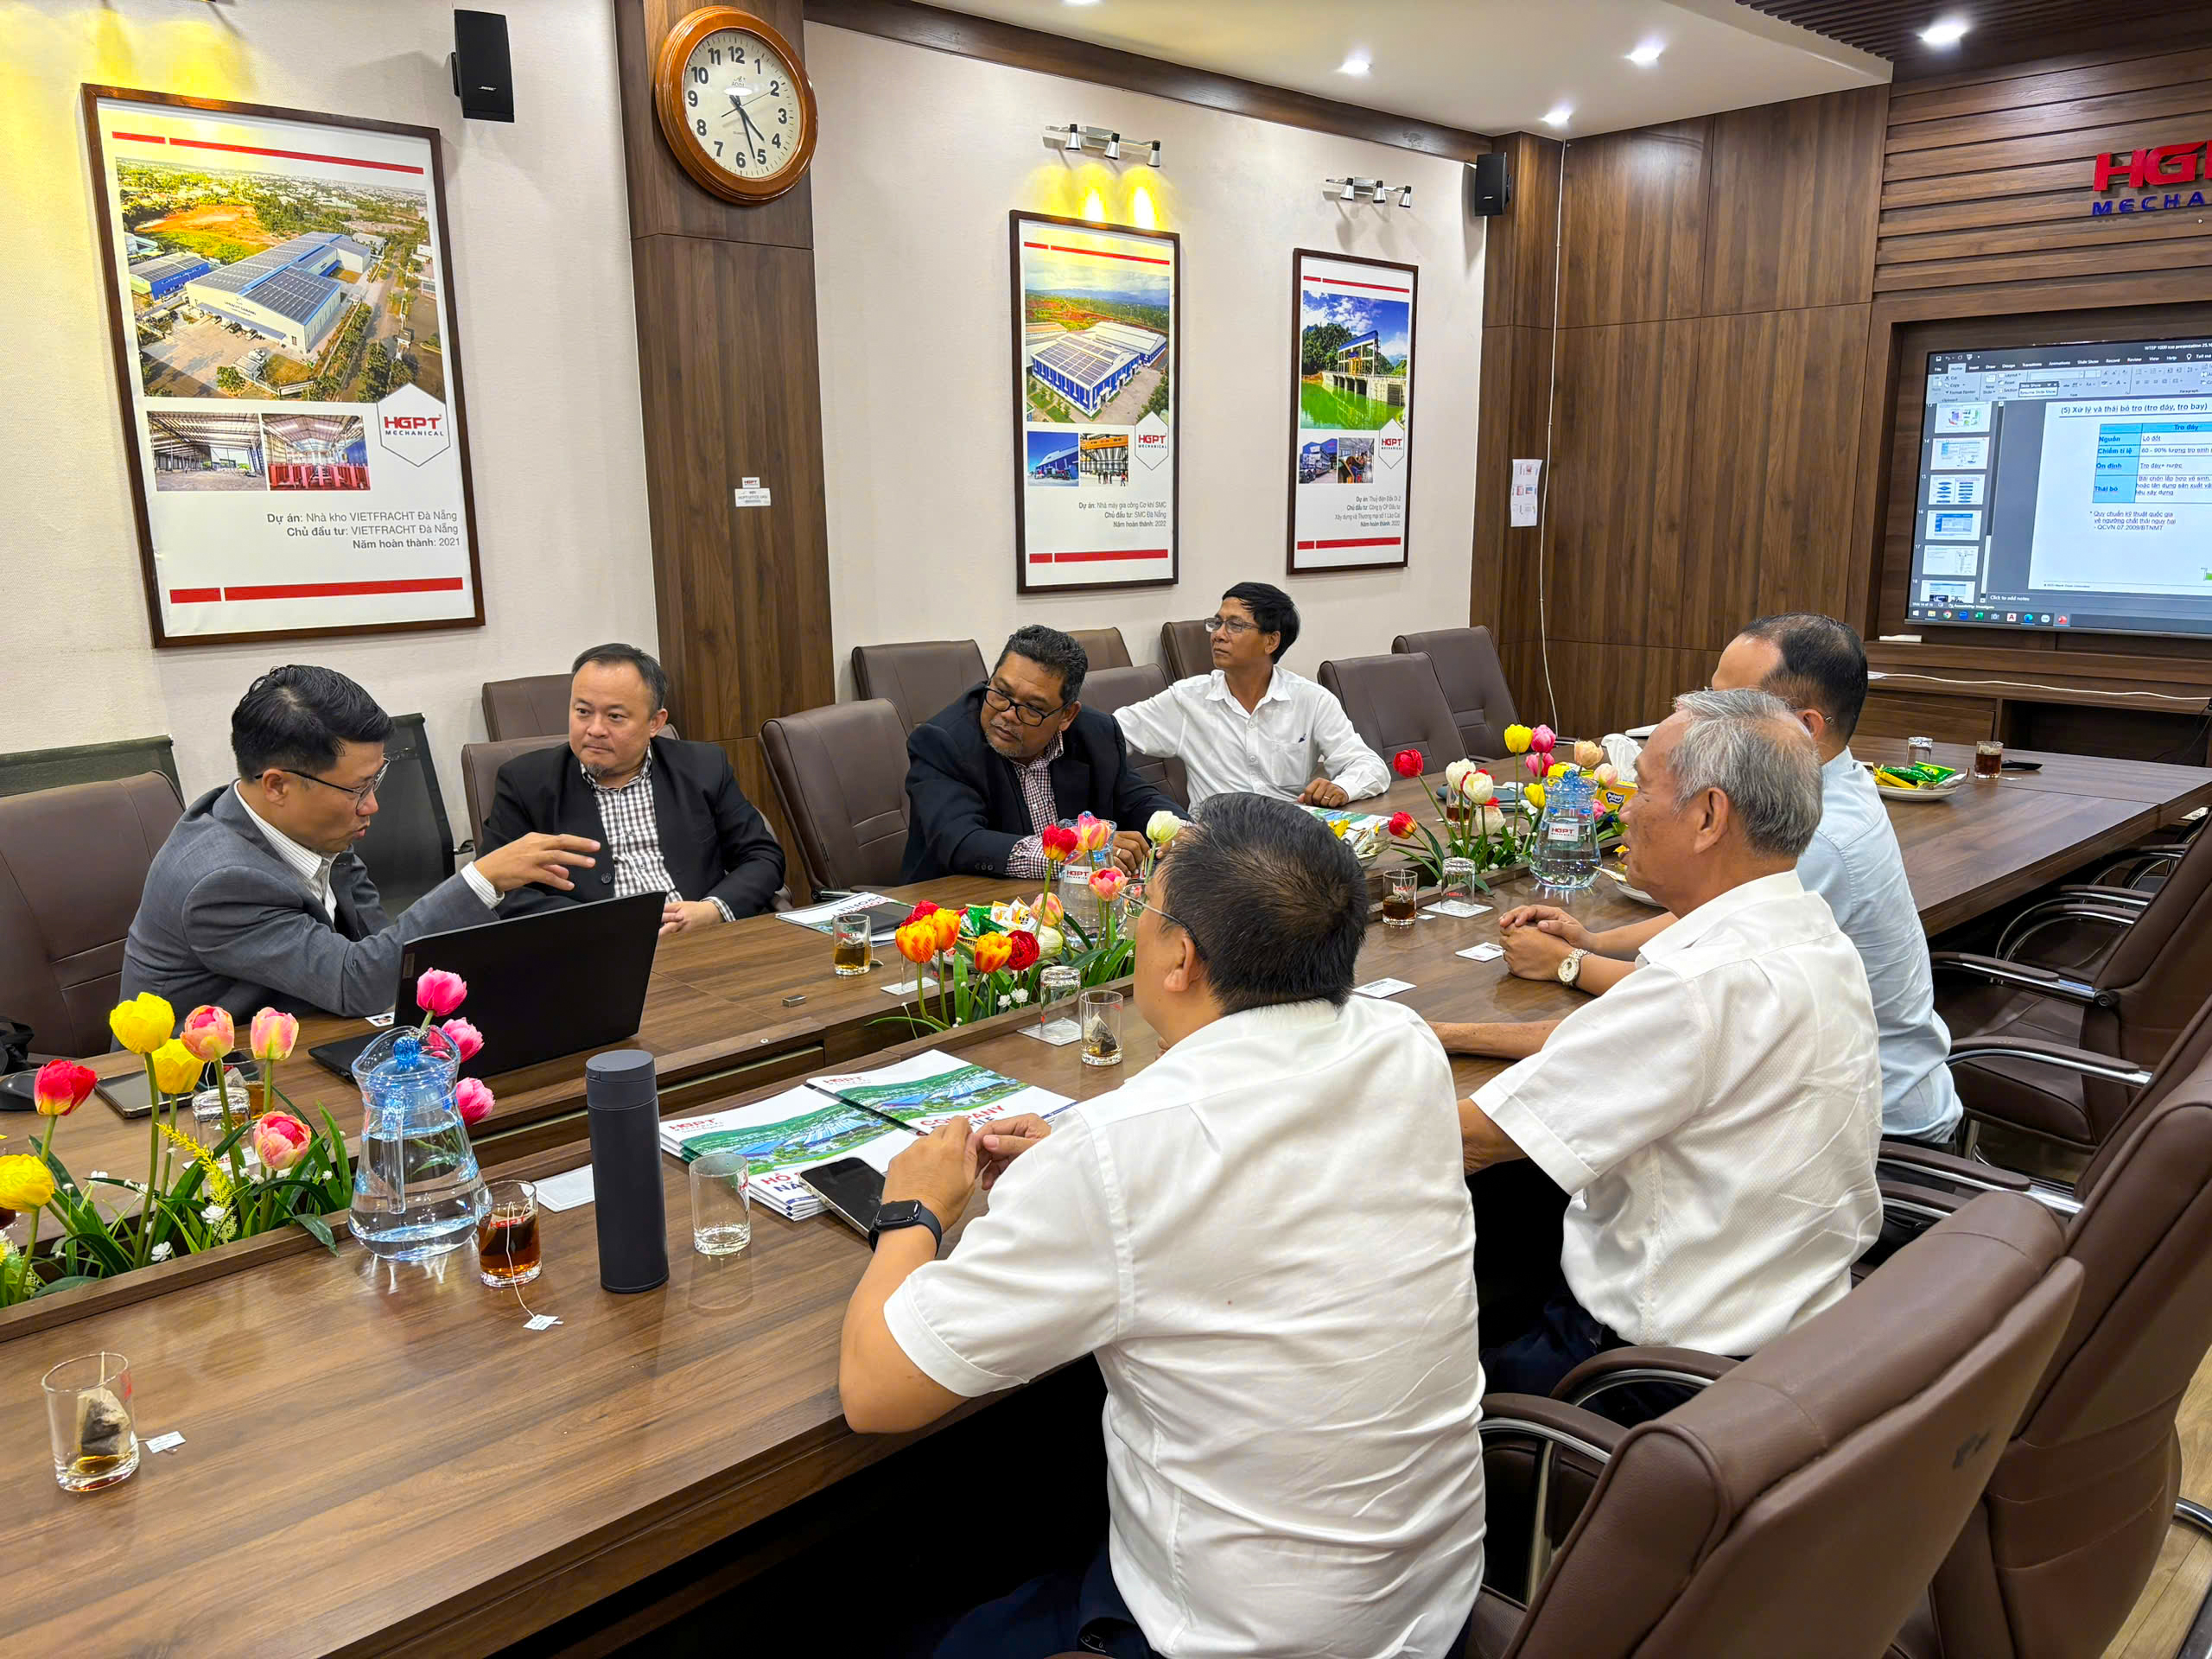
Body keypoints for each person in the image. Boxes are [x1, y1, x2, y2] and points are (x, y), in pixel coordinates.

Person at [842, 794, 1486, 1658]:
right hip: (1430, 1600)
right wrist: (1087, 1169)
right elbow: (1259, 1167)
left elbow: (876, 1392)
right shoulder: (1401, 1042)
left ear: (1181, 956)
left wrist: (913, 1212)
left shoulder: (1120, 1154)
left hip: (1242, 1637)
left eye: (1145, 906)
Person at [1438, 689, 1883, 1399]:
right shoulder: (1812, 931)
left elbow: (1467, 1141)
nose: (1622, 811)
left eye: (1641, 789)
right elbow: (1613, 1041)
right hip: (1795, 1338)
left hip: (1646, 1375)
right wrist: (1447, 1034)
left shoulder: (1695, 987)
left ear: (1708, 817)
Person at [1494, 613, 1961, 1146]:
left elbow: (1692, 997)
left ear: (1804, 729)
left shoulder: (1815, 838)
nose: (1699, 720)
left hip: (1872, 1130)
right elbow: (1714, 921)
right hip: (1809, 1095)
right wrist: (1596, 941)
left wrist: (1569, 964)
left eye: (1727, 707)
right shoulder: (1829, 786)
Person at [122, 666, 601, 1020]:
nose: (372, 805)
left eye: (375, 780)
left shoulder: (310, 823)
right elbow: (357, 984)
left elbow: (386, 953)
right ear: (277, 785)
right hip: (203, 1095)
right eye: (357, 789)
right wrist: (480, 879)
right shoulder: (221, 882)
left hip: (306, 1038)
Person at [480, 643, 785, 934]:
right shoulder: (524, 783)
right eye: (583, 711)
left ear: (655, 722)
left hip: (700, 939)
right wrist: (601, 925)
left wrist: (713, 910)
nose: (595, 729)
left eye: (615, 716)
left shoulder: (702, 767)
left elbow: (762, 857)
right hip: (593, 949)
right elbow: (500, 888)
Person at [900, 624, 1181, 883]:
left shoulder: (1096, 733)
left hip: (1065, 901)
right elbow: (961, 840)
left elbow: (1136, 798)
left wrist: (1182, 834)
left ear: (1066, 715)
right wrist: (1073, 855)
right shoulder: (942, 741)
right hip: (957, 905)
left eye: (1032, 708)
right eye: (1001, 692)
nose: (1008, 714)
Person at [1109, 582, 1388, 807]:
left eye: (1235, 626)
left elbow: (1369, 766)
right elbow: (1110, 733)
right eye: (1217, 623)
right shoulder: (1188, 700)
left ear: (1271, 641)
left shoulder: (1311, 700)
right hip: (1215, 842)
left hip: (1287, 837)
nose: (1218, 635)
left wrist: (1341, 788)